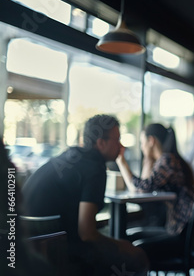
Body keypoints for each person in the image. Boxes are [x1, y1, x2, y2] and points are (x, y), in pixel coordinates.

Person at [21, 114, 149, 276]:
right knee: (137, 257)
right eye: (117, 140)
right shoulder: (95, 168)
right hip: (62, 254)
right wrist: (121, 245)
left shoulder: (69, 157)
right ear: (101, 143)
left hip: (32, 251)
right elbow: (87, 233)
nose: (121, 145)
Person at [116, 123, 194, 235]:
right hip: (179, 226)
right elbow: (140, 189)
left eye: (142, 142)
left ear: (151, 141)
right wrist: (147, 160)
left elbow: (144, 186)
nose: (141, 147)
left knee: (133, 236)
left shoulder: (167, 159)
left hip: (178, 228)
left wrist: (122, 162)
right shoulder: (167, 159)